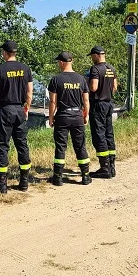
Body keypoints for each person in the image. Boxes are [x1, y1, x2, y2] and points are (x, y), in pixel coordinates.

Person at [0, 40, 34, 193]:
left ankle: (1, 185)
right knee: (22, 144)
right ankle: (24, 182)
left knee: (2, 145)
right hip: (20, 109)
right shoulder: (25, 69)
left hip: (5, 109)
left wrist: (0, 105)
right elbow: (29, 93)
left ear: (5, 53)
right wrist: (26, 108)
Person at [47, 51, 91, 186]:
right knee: (80, 146)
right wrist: (86, 114)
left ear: (61, 62)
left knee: (61, 146)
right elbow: (86, 100)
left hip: (63, 116)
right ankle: (85, 176)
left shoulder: (56, 79)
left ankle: (57, 178)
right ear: (72, 62)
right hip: (77, 115)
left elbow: (53, 102)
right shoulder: (81, 79)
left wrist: (51, 117)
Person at [87, 45, 118, 178]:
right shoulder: (111, 68)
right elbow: (115, 87)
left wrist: (85, 85)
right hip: (109, 104)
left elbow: (93, 87)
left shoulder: (95, 69)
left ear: (95, 55)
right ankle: (111, 167)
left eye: (92, 56)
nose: (92, 59)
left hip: (98, 105)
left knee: (99, 135)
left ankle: (104, 168)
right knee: (108, 134)